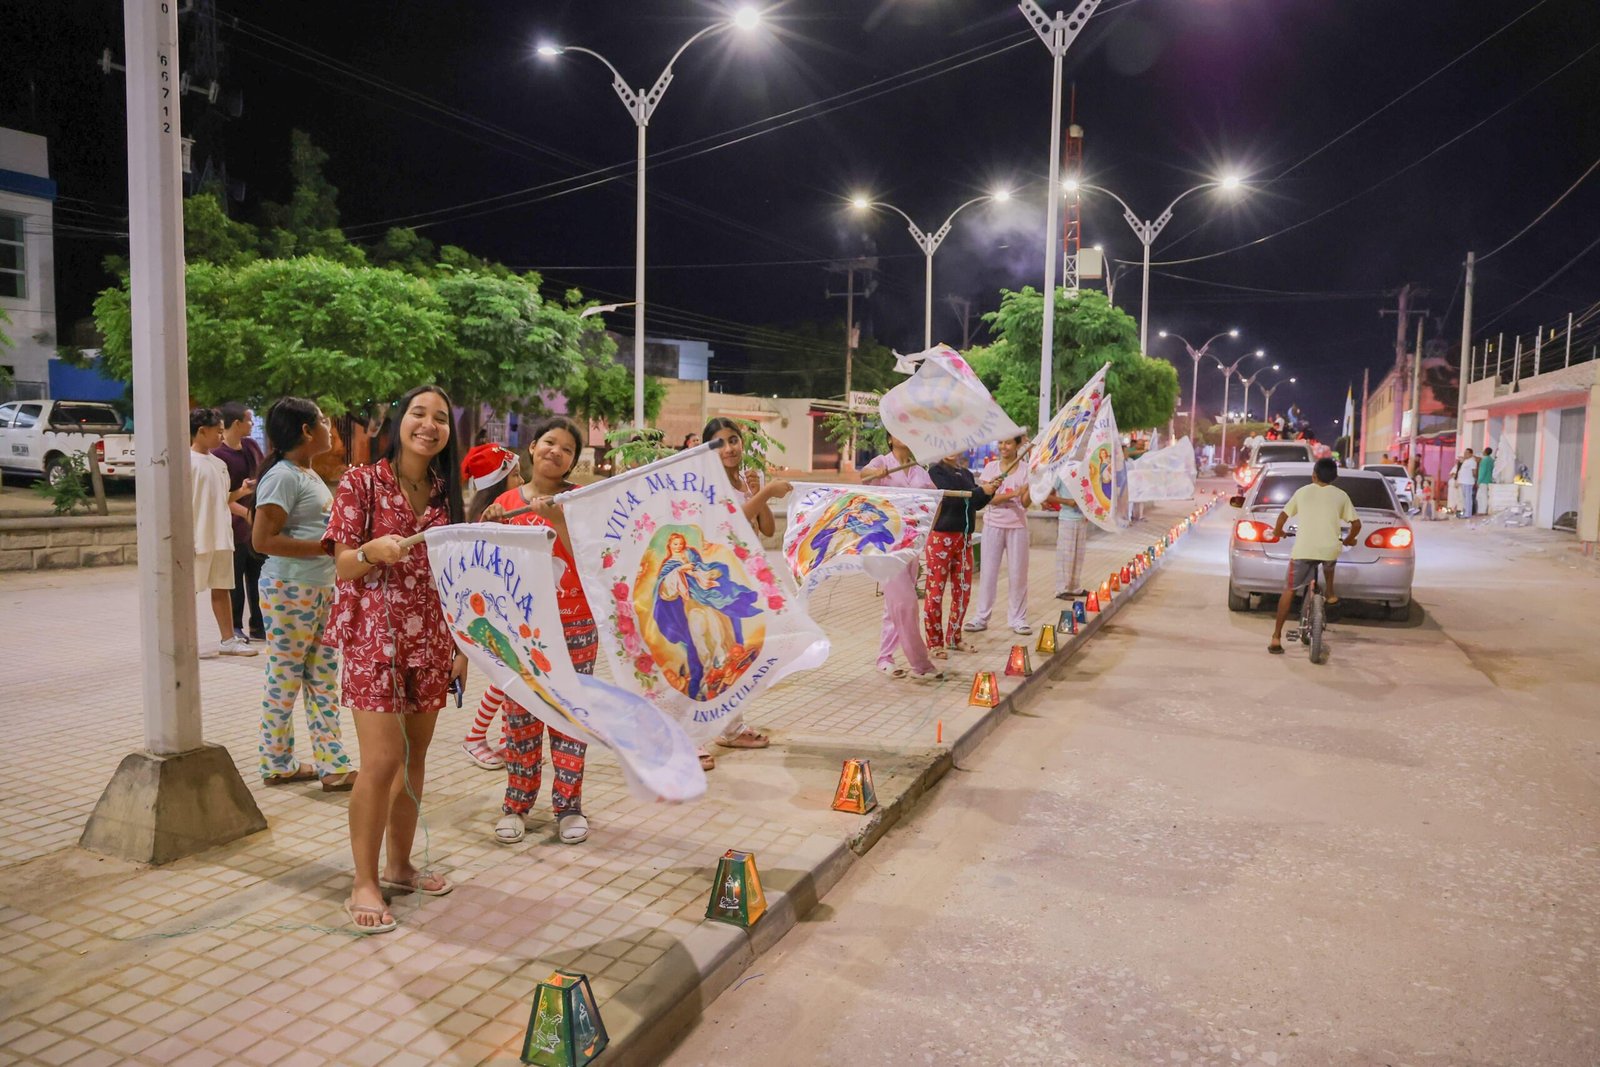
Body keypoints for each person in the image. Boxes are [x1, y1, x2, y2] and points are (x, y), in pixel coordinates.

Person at [324, 384, 467, 934]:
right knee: (381, 761)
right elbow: (341, 566)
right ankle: (363, 881)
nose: (428, 425)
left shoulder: (445, 496)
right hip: (373, 642)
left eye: (440, 418)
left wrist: (458, 648)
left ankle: (401, 865)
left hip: (430, 640)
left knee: (414, 758)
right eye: (418, 414)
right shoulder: (362, 481)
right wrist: (368, 551)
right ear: (399, 421)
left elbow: (458, 583)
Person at [480, 417, 596, 846]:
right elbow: (487, 571)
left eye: (567, 449)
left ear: (572, 461)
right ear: (531, 447)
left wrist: (560, 521)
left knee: (569, 716)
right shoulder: (505, 503)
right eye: (550, 442)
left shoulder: (581, 501)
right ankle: (516, 803)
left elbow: (593, 562)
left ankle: (569, 806)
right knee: (521, 718)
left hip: (575, 625)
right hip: (520, 633)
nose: (556, 452)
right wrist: (490, 523)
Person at [250, 397, 355, 791]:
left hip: (320, 588)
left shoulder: (306, 473)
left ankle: (333, 766)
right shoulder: (283, 476)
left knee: (323, 678)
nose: (331, 427)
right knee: (285, 677)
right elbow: (263, 540)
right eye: (324, 421)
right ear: (307, 431)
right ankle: (276, 762)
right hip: (290, 588)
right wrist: (328, 547)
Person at [701, 417, 792, 755]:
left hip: (745, 578)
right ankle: (710, 730)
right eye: (720, 442)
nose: (729, 448)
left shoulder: (744, 481)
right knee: (718, 655)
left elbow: (766, 529)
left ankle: (731, 725)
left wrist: (758, 493)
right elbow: (731, 525)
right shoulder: (705, 484)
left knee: (738, 653)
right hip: (718, 579)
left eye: (733, 440)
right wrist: (766, 491)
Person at [455, 443, 524, 769]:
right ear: (499, 482)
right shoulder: (489, 519)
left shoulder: (506, 512)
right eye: (516, 475)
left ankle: (500, 736)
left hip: (508, 613)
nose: (521, 480)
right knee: (507, 674)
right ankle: (475, 736)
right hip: (492, 615)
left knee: (511, 675)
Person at [859, 435, 941, 682]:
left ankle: (885, 658)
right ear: (889, 438)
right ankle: (921, 664)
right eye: (897, 431)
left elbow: (935, 502)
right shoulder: (882, 462)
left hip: (912, 545)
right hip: (887, 546)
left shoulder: (920, 472)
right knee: (906, 604)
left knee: (893, 606)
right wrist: (876, 472)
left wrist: (926, 533)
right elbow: (863, 475)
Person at [1268, 457, 1361, 654]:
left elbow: (1283, 516)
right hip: (1329, 548)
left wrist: (1278, 532)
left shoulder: (1302, 492)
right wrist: (1351, 539)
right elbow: (1356, 524)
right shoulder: (1341, 495)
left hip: (1304, 550)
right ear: (1334, 477)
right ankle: (1330, 593)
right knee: (1329, 560)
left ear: (1314, 475)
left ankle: (1276, 637)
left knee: (1289, 589)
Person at [190, 408, 257, 658]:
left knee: (222, 588)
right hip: (198, 536)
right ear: (201, 431)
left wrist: (241, 492)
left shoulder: (219, 463)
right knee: (189, 590)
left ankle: (228, 639)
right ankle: (185, 640)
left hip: (221, 535)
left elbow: (224, 498)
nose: (221, 436)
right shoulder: (185, 462)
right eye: (217, 431)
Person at [924, 453, 994, 659]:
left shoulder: (966, 473)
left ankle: (954, 637)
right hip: (941, 537)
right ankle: (934, 642)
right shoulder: (935, 471)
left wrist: (989, 491)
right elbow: (951, 496)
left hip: (964, 539)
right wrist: (979, 491)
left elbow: (974, 503)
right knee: (935, 592)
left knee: (962, 591)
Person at [965, 435, 1033, 636]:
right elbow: (989, 499)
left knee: (1018, 574)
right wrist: (1013, 494)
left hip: (1018, 527)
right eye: (1001, 442)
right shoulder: (991, 469)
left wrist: (1031, 487)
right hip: (993, 525)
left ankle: (1018, 619)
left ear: (1018, 445)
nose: (1004, 446)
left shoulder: (1026, 470)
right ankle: (981, 617)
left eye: (1009, 443)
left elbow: (1026, 503)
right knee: (988, 573)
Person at [212, 402, 266, 643]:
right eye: (249, 420)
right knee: (234, 580)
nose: (251, 424)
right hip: (234, 526)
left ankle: (259, 624)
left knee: (257, 577)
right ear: (237, 423)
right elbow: (222, 497)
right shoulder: (218, 456)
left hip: (254, 526)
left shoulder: (252, 446)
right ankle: (235, 626)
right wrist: (246, 513)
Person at [1044, 480, 1090, 600]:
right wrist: (1066, 502)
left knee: (1078, 555)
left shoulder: (1084, 470)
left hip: (1082, 519)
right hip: (1067, 518)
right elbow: (1046, 496)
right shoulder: (1061, 473)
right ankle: (1062, 589)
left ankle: (1074, 587)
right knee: (1066, 555)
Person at [1453, 448, 1478, 518]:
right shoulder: (1466, 461)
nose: (1465, 454)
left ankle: (1468, 514)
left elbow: (1474, 472)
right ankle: (1465, 512)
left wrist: (1475, 480)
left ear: (1471, 454)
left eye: (1467, 453)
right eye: (1464, 453)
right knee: (1464, 498)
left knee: (1468, 498)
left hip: (1468, 482)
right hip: (1463, 482)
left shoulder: (1472, 461)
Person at [1476, 446, 1494, 518]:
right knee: (1483, 496)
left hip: (1483, 481)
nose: (1483, 452)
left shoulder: (1484, 460)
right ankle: (1482, 510)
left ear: (1486, 452)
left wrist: (1479, 481)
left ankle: (1482, 511)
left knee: (1482, 496)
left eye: (1484, 451)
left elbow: (1482, 472)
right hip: (1488, 479)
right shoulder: (1491, 460)